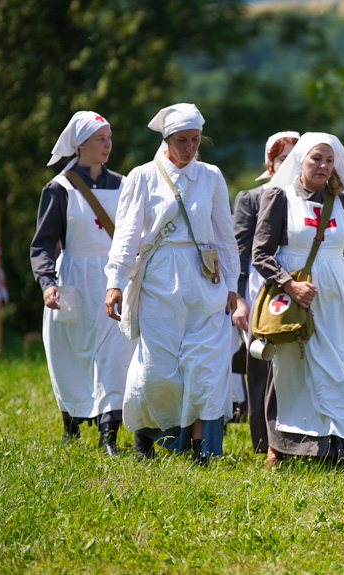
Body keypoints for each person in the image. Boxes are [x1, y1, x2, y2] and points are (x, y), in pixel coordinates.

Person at [104, 103, 240, 466]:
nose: (190, 147)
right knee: (157, 369)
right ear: (166, 139)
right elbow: (128, 233)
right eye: (182, 140)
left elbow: (225, 236)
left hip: (204, 279)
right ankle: (145, 438)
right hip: (159, 278)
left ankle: (201, 453)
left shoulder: (211, 176)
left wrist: (231, 286)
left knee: (205, 366)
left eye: (196, 140)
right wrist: (115, 281)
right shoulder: (143, 176)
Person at [252, 132, 344, 468]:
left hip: (338, 299)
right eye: (316, 158)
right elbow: (261, 253)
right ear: (300, 159)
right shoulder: (280, 197)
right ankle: (295, 448)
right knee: (296, 372)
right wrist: (289, 285)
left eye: (329, 160)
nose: (323, 166)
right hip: (297, 299)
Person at [30, 111, 136, 456]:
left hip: (112, 280)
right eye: (100, 139)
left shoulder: (124, 185)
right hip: (73, 278)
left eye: (109, 137)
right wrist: (47, 282)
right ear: (81, 145)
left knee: (115, 356)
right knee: (71, 355)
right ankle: (71, 427)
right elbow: (43, 242)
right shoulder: (58, 188)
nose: (108, 145)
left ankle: (109, 437)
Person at [232, 131, 300, 453]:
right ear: (269, 163)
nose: (289, 166)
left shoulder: (311, 200)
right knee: (261, 366)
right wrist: (239, 300)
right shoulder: (251, 198)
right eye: (282, 159)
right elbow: (241, 253)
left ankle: (296, 441)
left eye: (294, 159)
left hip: (300, 292)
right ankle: (263, 444)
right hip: (261, 293)